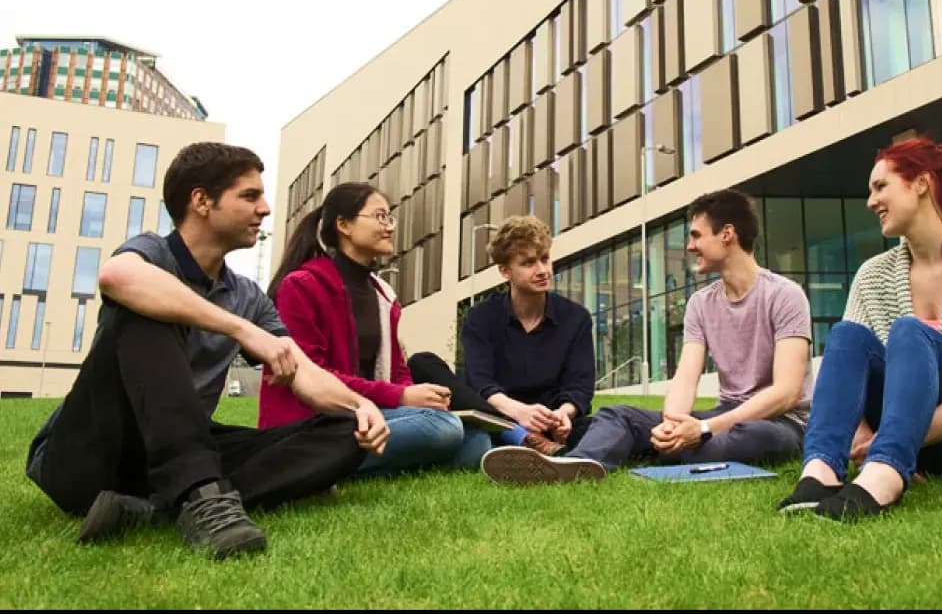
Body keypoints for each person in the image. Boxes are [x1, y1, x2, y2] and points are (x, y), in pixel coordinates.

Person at [24, 143, 390, 559]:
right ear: (201, 201)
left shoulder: (247, 295)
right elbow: (115, 275)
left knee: (344, 432)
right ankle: (203, 497)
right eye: (250, 196)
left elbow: (303, 372)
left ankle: (156, 509)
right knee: (146, 307)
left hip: (175, 453)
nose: (265, 209)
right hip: (87, 456)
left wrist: (361, 406)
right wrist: (241, 330)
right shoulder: (152, 254)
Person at [777, 137, 942, 520]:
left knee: (910, 331)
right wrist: (862, 440)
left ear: (921, 184)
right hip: (910, 440)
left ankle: (885, 477)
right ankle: (821, 472)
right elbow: (849, 374)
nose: (871, 201)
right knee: (846, 336)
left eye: (880, 186)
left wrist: (889, 444)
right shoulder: (873, 275)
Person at [481, 190, 811, 484]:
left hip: (776, 423)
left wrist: (704, 429)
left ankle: (653, 452)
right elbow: (686, 376)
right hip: (724, 413)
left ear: (727, 234)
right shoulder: (700, 303)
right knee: (617, 415)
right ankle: (574, 466)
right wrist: (673, 424)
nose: (689, 245)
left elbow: (786, 392)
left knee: (753, 436)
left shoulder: (785, 296)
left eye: (696, 235)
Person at [259, 182, 490, 473]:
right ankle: (319, 464)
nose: (389, 226)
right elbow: (312, 375)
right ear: (343, 225)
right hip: (319, 421)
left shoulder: (383, 295)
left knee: (476, 441)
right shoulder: (302, 286)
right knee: (443, 429)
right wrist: (402, 397)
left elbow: (398, 371)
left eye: (389, 217)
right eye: (380, 216)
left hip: (370, 415)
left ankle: (349, 466)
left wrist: (417, 398)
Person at [444, 215, 596, 456]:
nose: (543, 270)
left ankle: (532, 442)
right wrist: (519, 412)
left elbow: (580, 386)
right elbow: (480, 382)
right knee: (434, 371)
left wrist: (563, 414)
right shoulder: (480, 318)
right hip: (499, 415)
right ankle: (522, 439)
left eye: (545, 259)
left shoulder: (576, 318)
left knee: (607, 423)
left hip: (550, 421)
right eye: (528, 263)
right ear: (505, 271)